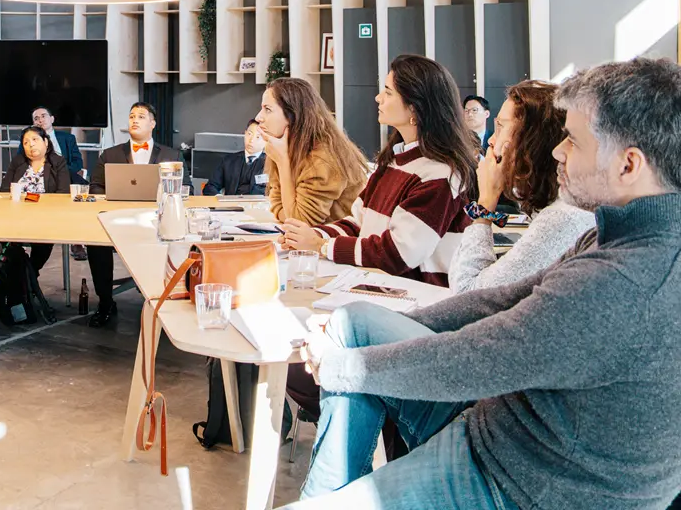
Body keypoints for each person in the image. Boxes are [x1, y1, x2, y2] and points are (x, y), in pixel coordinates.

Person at [283, 58, 681, 510]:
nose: (558, 152)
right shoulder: (614, 234)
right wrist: (379, 338)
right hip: (501, 431)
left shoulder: (623, 280)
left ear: (629, 165)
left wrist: (342, 367)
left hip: (519, 480)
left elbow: (483, 354)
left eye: (573, 141)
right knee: (353, 322)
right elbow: (503, 299)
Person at [282, 55, 475, 286]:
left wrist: (321, 246)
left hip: (419, 298)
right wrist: (315, 235)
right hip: (381, 286)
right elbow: (358, 224)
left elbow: (399, 253)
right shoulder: (393, 161)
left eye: (388, 92)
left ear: (414, 107)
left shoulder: (440, 174)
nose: (378, 98)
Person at [449, 80, 594, 293]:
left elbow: (466, 294)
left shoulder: (563, 218)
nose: (491, 141)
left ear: (532, 140)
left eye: (500, 128)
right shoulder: (556, 205)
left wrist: (485, 203)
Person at [0, 125, 71, 355]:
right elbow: (5, 190)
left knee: (44, 241)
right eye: (26, 142)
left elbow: (64, 194)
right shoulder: (18, 163)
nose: (30, 146)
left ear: (46, 142)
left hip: (46, 219)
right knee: (11, 248)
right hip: (16, 218)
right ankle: (23, 282)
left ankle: (28, 275)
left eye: (35, 140)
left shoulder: (58, 163)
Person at [85, 101, 182, 328]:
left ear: (153, 123)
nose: (134, 120)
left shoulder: (171, 154)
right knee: (95, 244)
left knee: (174, 242)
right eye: (131, 116)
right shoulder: (109, 154)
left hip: (155, 222)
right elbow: (95, 186)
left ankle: (161, 301)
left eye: (140, 116)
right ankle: (105, 301)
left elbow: (183, 188)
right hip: (116, 219)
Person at [254, 79, 368, 222]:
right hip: (315, 239)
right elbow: (278, 205)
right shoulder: (285, 147)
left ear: (293, 116)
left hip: (338, 241)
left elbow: (300, 222)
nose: (258, 117)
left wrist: (283, 162)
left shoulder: (323, 158)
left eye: (268, 109)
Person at [32, 105, 88, 261]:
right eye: (36, 118)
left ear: (52, 119)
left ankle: (78, 239)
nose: (40, 120)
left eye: (43, 116)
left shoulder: (67, 138)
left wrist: (61, 171)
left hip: (65, 178)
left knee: (79, 191)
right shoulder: (29, 140)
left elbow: (77, 162)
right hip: (42, 180)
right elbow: (22, 164)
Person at [202, 120, 269, 196]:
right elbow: (210, 187)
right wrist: (221, 199)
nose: (252, 140)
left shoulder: (271, 164)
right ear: (245, 133)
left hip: (258, 206)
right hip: (231, 205)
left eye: (258, 137)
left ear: (266, 140)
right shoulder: (229, 161)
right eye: (249, 134)